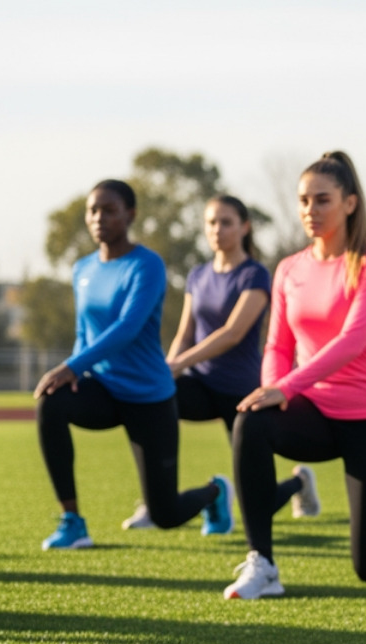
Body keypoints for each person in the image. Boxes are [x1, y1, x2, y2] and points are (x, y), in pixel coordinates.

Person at [227, 151, 366, 599]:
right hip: (315, 411)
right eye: (303, 201)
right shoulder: (290, 269)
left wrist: (287, 385)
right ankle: (263, 564)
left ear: (350, 203)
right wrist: (275, 389)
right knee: (250, 421)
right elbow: (278, 344)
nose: (310, 210)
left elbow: (351, 341)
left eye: (322, 200)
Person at [34, 180, 234, 550]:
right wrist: (79, 371)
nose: (99, 218)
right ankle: (73, 521)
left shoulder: (148, 265)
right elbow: (84, 331)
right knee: (52, 400)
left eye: (109, 210)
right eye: (93, 210)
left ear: (130, 214)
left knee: (165, 514)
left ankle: (214, 492)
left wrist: (72, 366)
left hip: (148, 398)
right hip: (104, 391)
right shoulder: (82, 269)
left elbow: (127, 328)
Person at [121, 196, 316, 529]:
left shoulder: (254, 274)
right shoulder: (197, 275)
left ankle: (299, 483)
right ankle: (157, 502)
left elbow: (232, 333)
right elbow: (185, 332)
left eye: (226, 222)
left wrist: (180, 362)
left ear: (244, 227)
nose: (217, 229)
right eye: (211, 222)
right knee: (149, 407)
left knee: (261, 502)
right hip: (199, 384)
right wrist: (165, 371)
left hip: (240, 392)